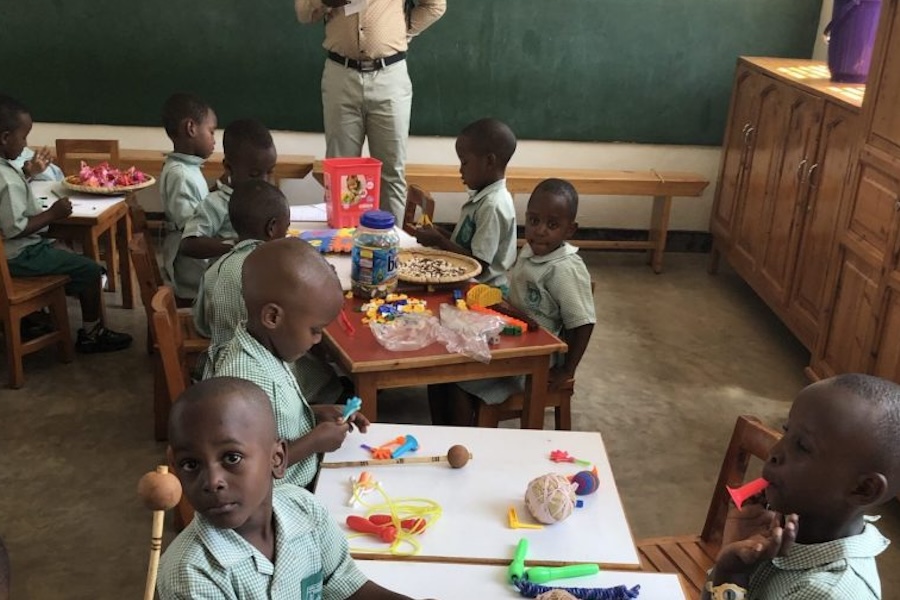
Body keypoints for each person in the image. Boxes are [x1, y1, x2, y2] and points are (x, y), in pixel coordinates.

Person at [158, 377, 425, 600]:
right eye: (190, 464)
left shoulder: (304, 509)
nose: (212, 480)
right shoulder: (190, 574)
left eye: (232, 458)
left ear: (277, 458)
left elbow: (343, 583)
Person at [704, 373, 900, 600]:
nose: (775, 452)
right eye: (786, 431)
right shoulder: (785, 526)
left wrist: (733, 574)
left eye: (802, 446)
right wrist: (730, 568)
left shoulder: (826, 593)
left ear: (863, 489)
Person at [205, 237, 369, 489]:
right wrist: (314, 442)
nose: (317, 339)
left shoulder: (268, 350)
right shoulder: (243, 383)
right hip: (275, 503)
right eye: (315, 330)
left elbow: (273, 422)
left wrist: (314, 415)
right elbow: (242, 470)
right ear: (272, 317)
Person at [430, 179, 595, 426]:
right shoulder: (533, 251)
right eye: (534, 220)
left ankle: (464, 445)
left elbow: (583, 323)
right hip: (513, 340)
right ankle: (443, 437)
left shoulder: (564, 269)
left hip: (535, 362)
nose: (540, 230)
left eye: (552, 225)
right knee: (441, 369)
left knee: (458, 381)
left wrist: (567, 370)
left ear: (570, 230)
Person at [0, 94, 132, 353]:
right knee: (91, 271)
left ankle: (34, 318)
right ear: (5, 137)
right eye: (23, 137)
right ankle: (92, 334)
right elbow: (14, 228)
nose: (26, 143)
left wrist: (27, 173)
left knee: (64, 252)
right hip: (18, 256)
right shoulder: (6, 178)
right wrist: (53, 214)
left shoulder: (7, 172)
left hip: (10, 255)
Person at [294, 0, 446, 224]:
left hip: (389, 74)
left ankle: (391, 247)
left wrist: (401, 30)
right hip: (341, 75)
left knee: (391, 171)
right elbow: (303, 13)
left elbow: (434, 5)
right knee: (340, 168)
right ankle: (340, 246)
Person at [414, 118, 517, 290]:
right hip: (468, 280)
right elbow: (466, 247)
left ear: (489, 161)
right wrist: (440, 232)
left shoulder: (492, 206)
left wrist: (438, 240)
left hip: (484, 291)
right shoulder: (483, 197)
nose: (460, 170)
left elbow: (478, 265)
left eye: (465, 162)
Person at [194, 180, 290, 347]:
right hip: (260, 362)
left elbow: (202, 325)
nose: (286, 234)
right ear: (272, 227)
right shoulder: (273, 273)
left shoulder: (215, 268)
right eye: (286, 228)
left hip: (219, 360)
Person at [180, 118, 277, 267]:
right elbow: (189, 244)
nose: (263, 181)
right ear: (229, 168)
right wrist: (237, 245)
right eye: (254, 174)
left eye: (269, 172)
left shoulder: (268, 200)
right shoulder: (216, 204)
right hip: (225, 285)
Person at [160, 92, 217, 301]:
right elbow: (193, 235)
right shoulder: (181, 174)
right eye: (211, 131)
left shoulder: (186, 168)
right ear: (191, 128)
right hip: (191, 276)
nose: (214, 140)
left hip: (192, 264)